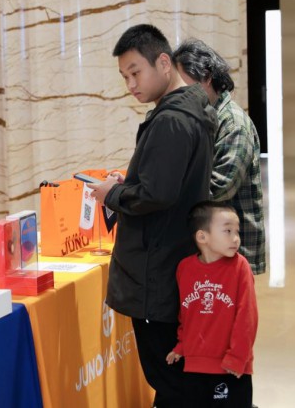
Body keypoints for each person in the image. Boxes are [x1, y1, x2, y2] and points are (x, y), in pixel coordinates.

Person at [90, 24, 217, 407]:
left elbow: (157, 194)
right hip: (173, 261)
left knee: (170, 378)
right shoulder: (190, 110)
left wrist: (112, 194)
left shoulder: (171, 120)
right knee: (175, 378)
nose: (131, 84)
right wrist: (130, 182)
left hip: (157, 272)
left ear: (163, 62)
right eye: (124, 76)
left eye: (135, 72)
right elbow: (166, 184)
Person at [172, 39, 266, 275]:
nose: (179, 93)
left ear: (206, 77)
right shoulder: (205, 117)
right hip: (213, 247)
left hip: (233, 250)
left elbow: (219, 188)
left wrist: (163, 194)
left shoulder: (233, 124)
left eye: (183, 84)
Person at [166, 201, 258, 407]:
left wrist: (238, 357)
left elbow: (247, 317)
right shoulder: (185, 268)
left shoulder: (240, 267)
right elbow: (187, 314)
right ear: (202, 237)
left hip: (231, 367)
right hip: (194, 366)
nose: (236, 238)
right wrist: (182, 345)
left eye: (237, 231)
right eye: (227, 231)